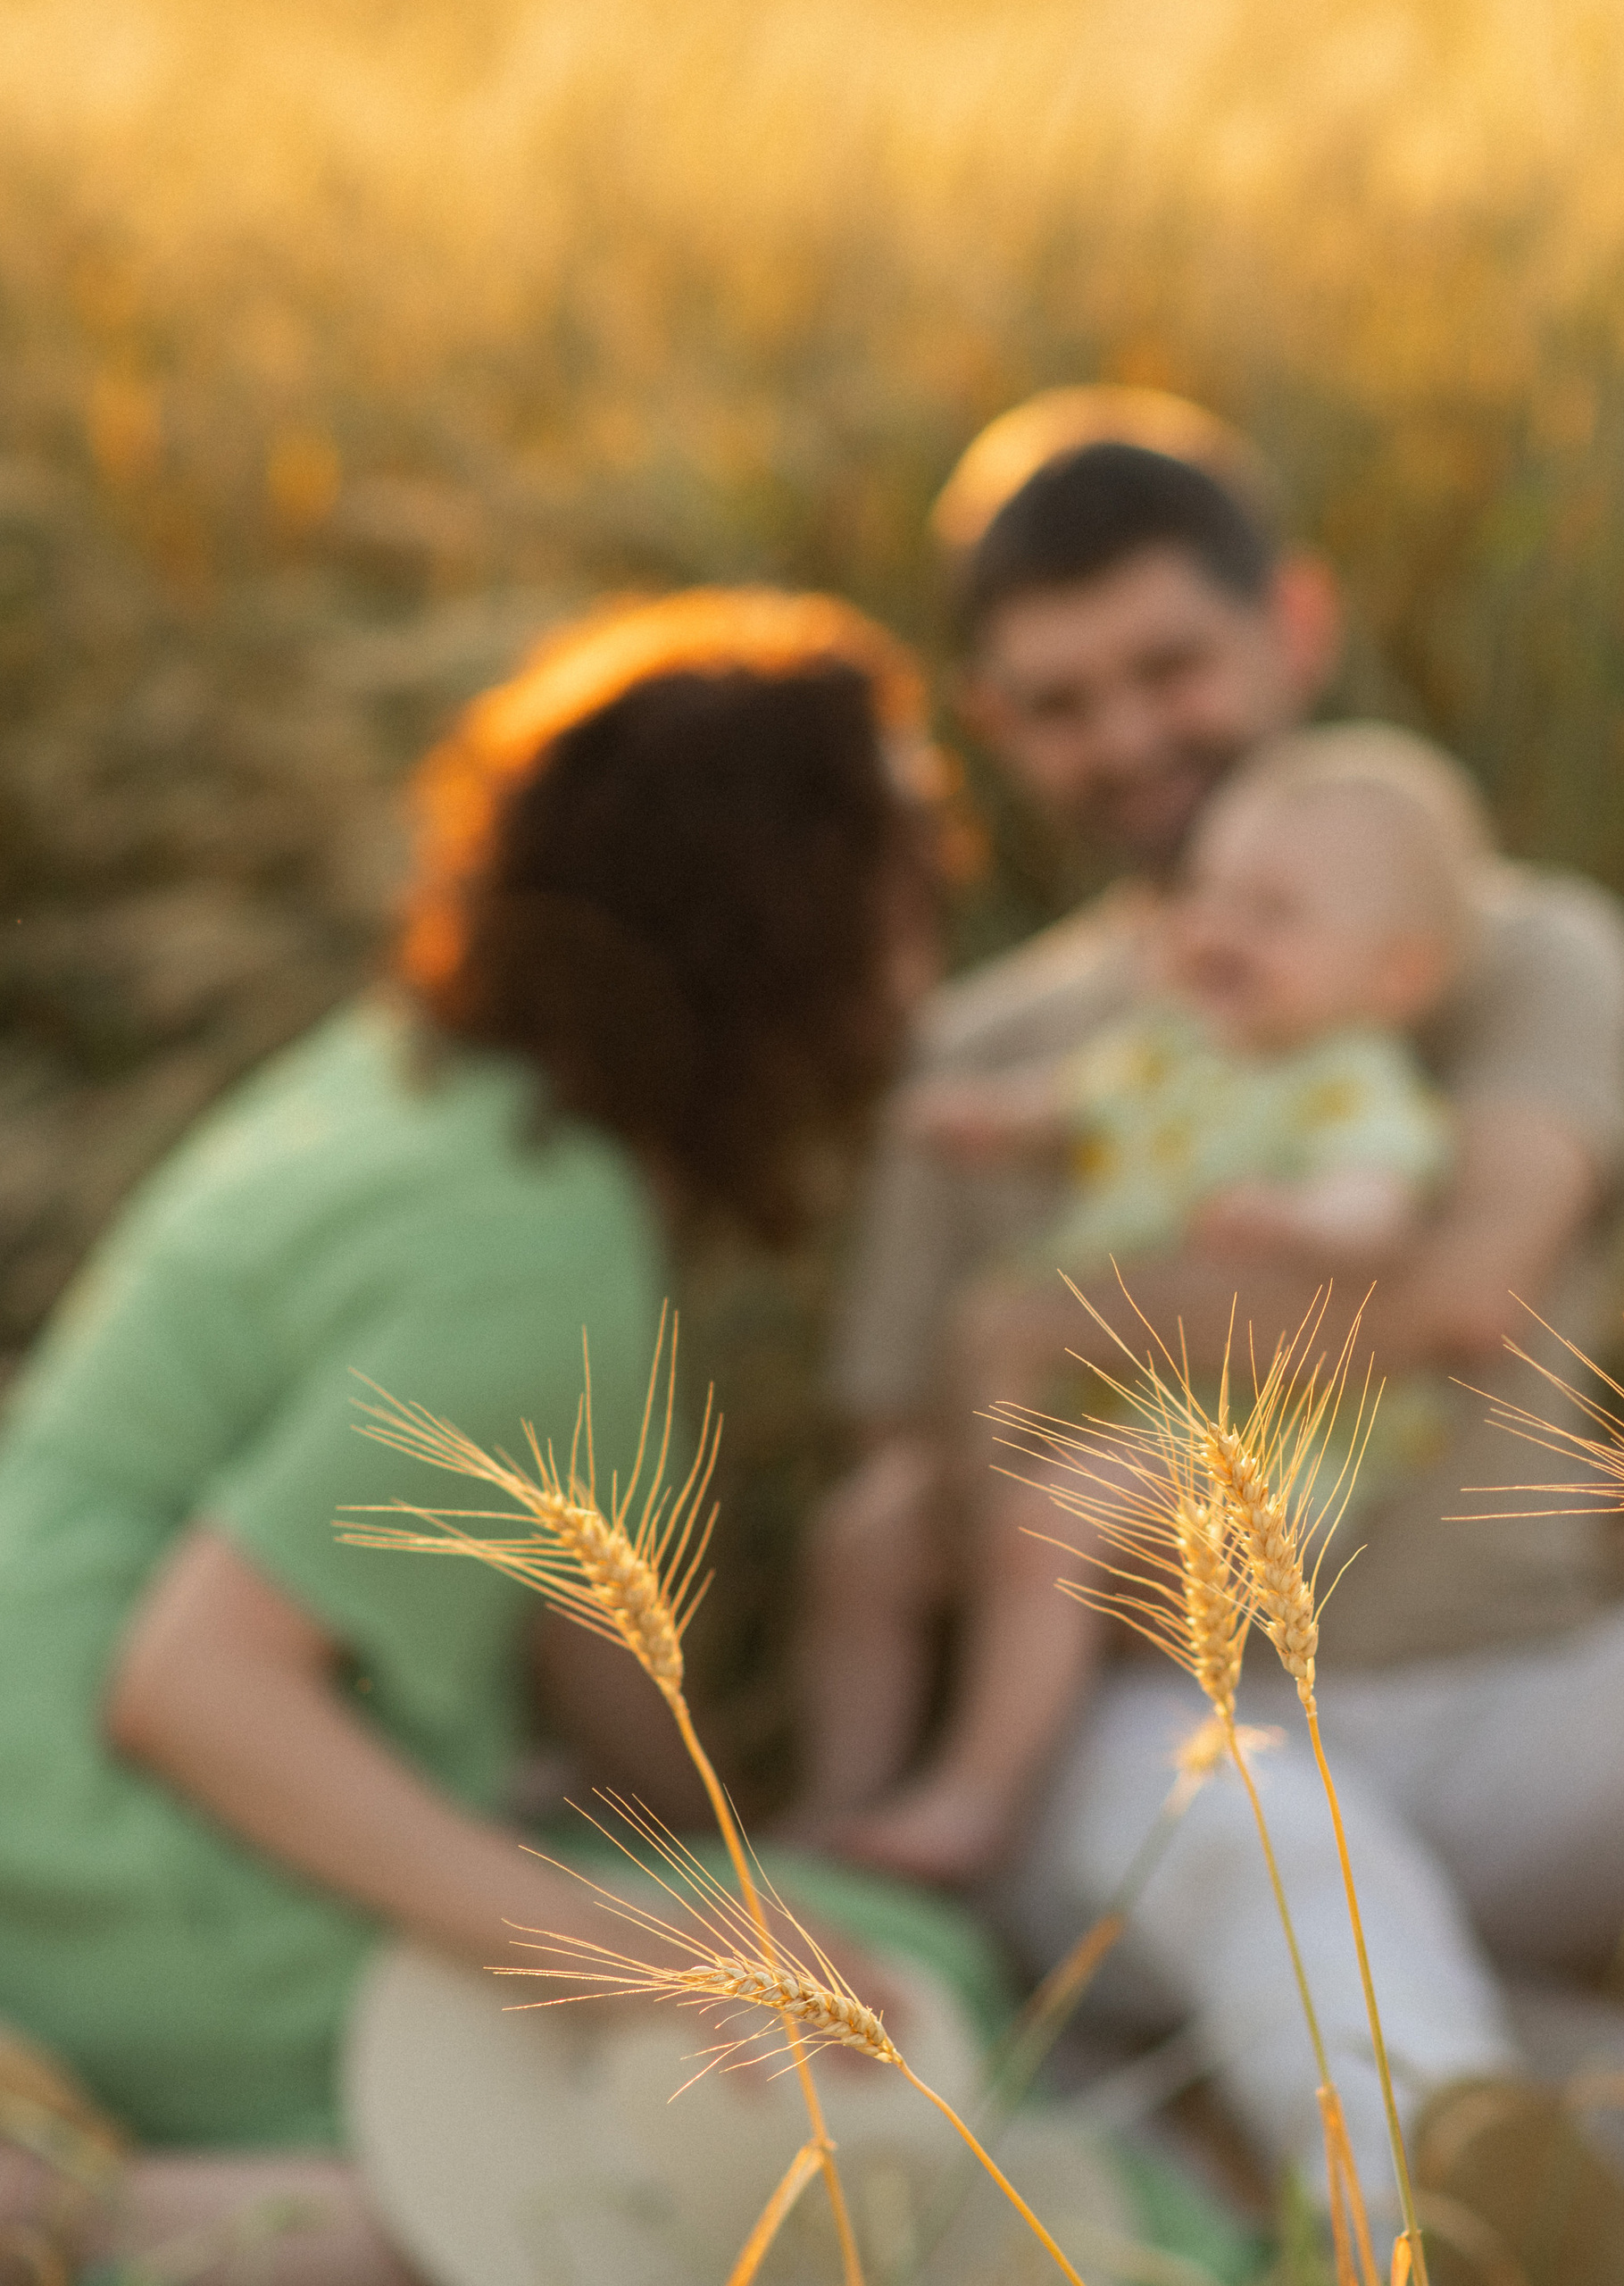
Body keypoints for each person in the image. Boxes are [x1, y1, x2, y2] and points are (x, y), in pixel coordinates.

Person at [817, 391, 1624, 2286]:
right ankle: (1464, 2225)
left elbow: (1457, 1291)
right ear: (992, 728)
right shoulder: (988, 1064)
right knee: (1238, 1801)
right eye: (1057, 701)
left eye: (1170, 664)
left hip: (1506, 1710)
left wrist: (1069, 1314)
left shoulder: (1508, 949)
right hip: (1164, 1714)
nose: (1126, 734)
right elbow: (915, 1480)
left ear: (1292, 629)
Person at [0, 590, 947, 2286]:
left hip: (44, 1740)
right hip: (111, 1844)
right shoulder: (539, 1251)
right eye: (904, 894)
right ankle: (129, 2219)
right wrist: (648, 1962)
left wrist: (723, 1852)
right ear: (780, 937)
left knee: (832, 1970)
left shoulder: (423, 1083)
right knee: (626, 2167)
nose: (921, 952)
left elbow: (545, 1610)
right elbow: (197, 1686)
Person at [803, 725, 1484, 1880]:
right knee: (866, 1536)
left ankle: (979, 1798)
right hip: (1104, 1406)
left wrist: (1305, 1222)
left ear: (1394, 977)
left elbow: (1380, 1208)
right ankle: (841, 1798)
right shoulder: (1170, 1049)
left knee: (1045, 1519)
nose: (1221, 929)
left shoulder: (1351, 1081)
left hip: (1253, 1442)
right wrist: (988, 1124)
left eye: (1274, 912)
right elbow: (1067, 1111)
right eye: (1211, 896)